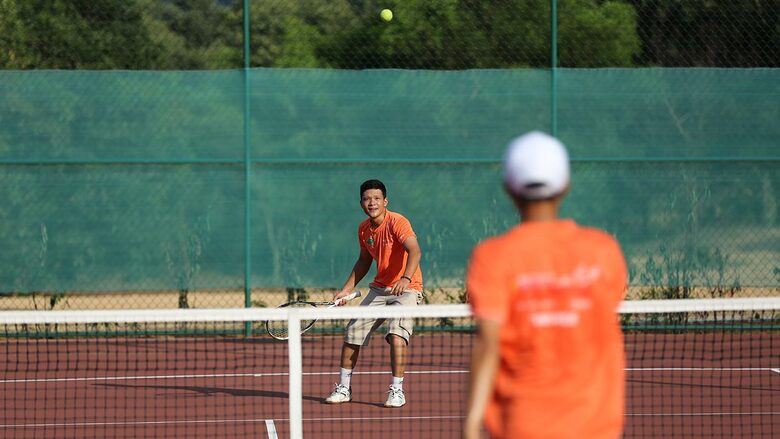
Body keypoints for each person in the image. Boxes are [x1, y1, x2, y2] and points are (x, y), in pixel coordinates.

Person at [463, 131, 627, 439]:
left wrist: (471, 426)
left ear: (509, 189)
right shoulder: (604, 251)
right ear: (565, 186)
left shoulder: (492, 256)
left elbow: (488, 344)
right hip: (598, 428)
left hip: (522, 427)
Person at [324, 179, 423, 408]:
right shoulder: (363, 229)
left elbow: (415, 251)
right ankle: (344, 388)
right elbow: (364, 261)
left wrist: (405, 279)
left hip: (407, 288)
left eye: (377, 198)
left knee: (397, 334)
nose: (372, 203)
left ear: (385, 201)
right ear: (361, 203)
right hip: (379, 289)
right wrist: (346, 289)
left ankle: (397, 391)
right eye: (367, 199)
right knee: (352, 331)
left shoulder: (398, 222)